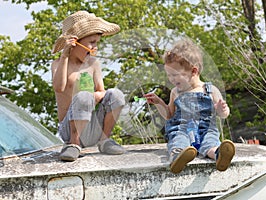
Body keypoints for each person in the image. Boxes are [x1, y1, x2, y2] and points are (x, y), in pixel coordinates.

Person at [144, 39, 235, 174]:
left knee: (210, 142)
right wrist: (159, 103)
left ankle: (219, 155)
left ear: (193, 71)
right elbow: (169, 114)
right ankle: (178, 157)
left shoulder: (210, 90)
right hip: (182, 129)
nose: (171, 79)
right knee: (179, 140)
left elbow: (224, 114)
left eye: (175, 75)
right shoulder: (175, 92)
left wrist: (222, 110)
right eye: (169, 75)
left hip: (206, 130)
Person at [51, 11, 126, 162]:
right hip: (69, 127)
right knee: (83, 95)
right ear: (75, 41)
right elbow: (59, 88)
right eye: (91, 42)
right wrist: (64, 55)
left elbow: (101, 91)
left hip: (91, 126)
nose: (95, 47)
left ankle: (105, 140)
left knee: (116, 94)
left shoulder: (93, 63)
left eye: (97, 42)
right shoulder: (58, 64)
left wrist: (95, 96)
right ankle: (73, 143)